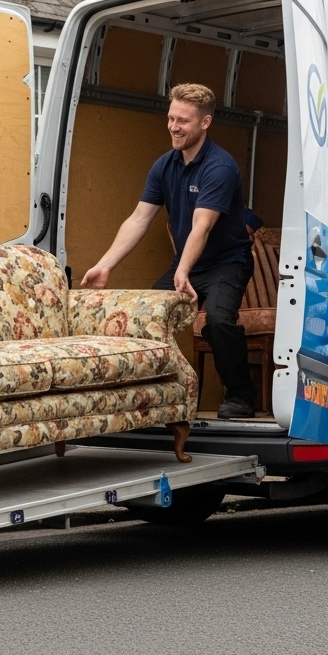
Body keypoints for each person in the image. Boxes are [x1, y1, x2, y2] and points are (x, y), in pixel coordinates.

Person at [80, 83, 258, 419]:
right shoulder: (165, 165)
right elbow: (138, 219)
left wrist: (183, 270)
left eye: (183, 121)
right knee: (143, 318)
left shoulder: (219, 167)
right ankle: (150, 399)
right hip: (187, 264)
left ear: (205, 123)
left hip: (226, 264)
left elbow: (201, 226)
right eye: (170, 118)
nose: (174, 127)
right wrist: (105, 265)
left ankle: (241, 396)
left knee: (219, 321)